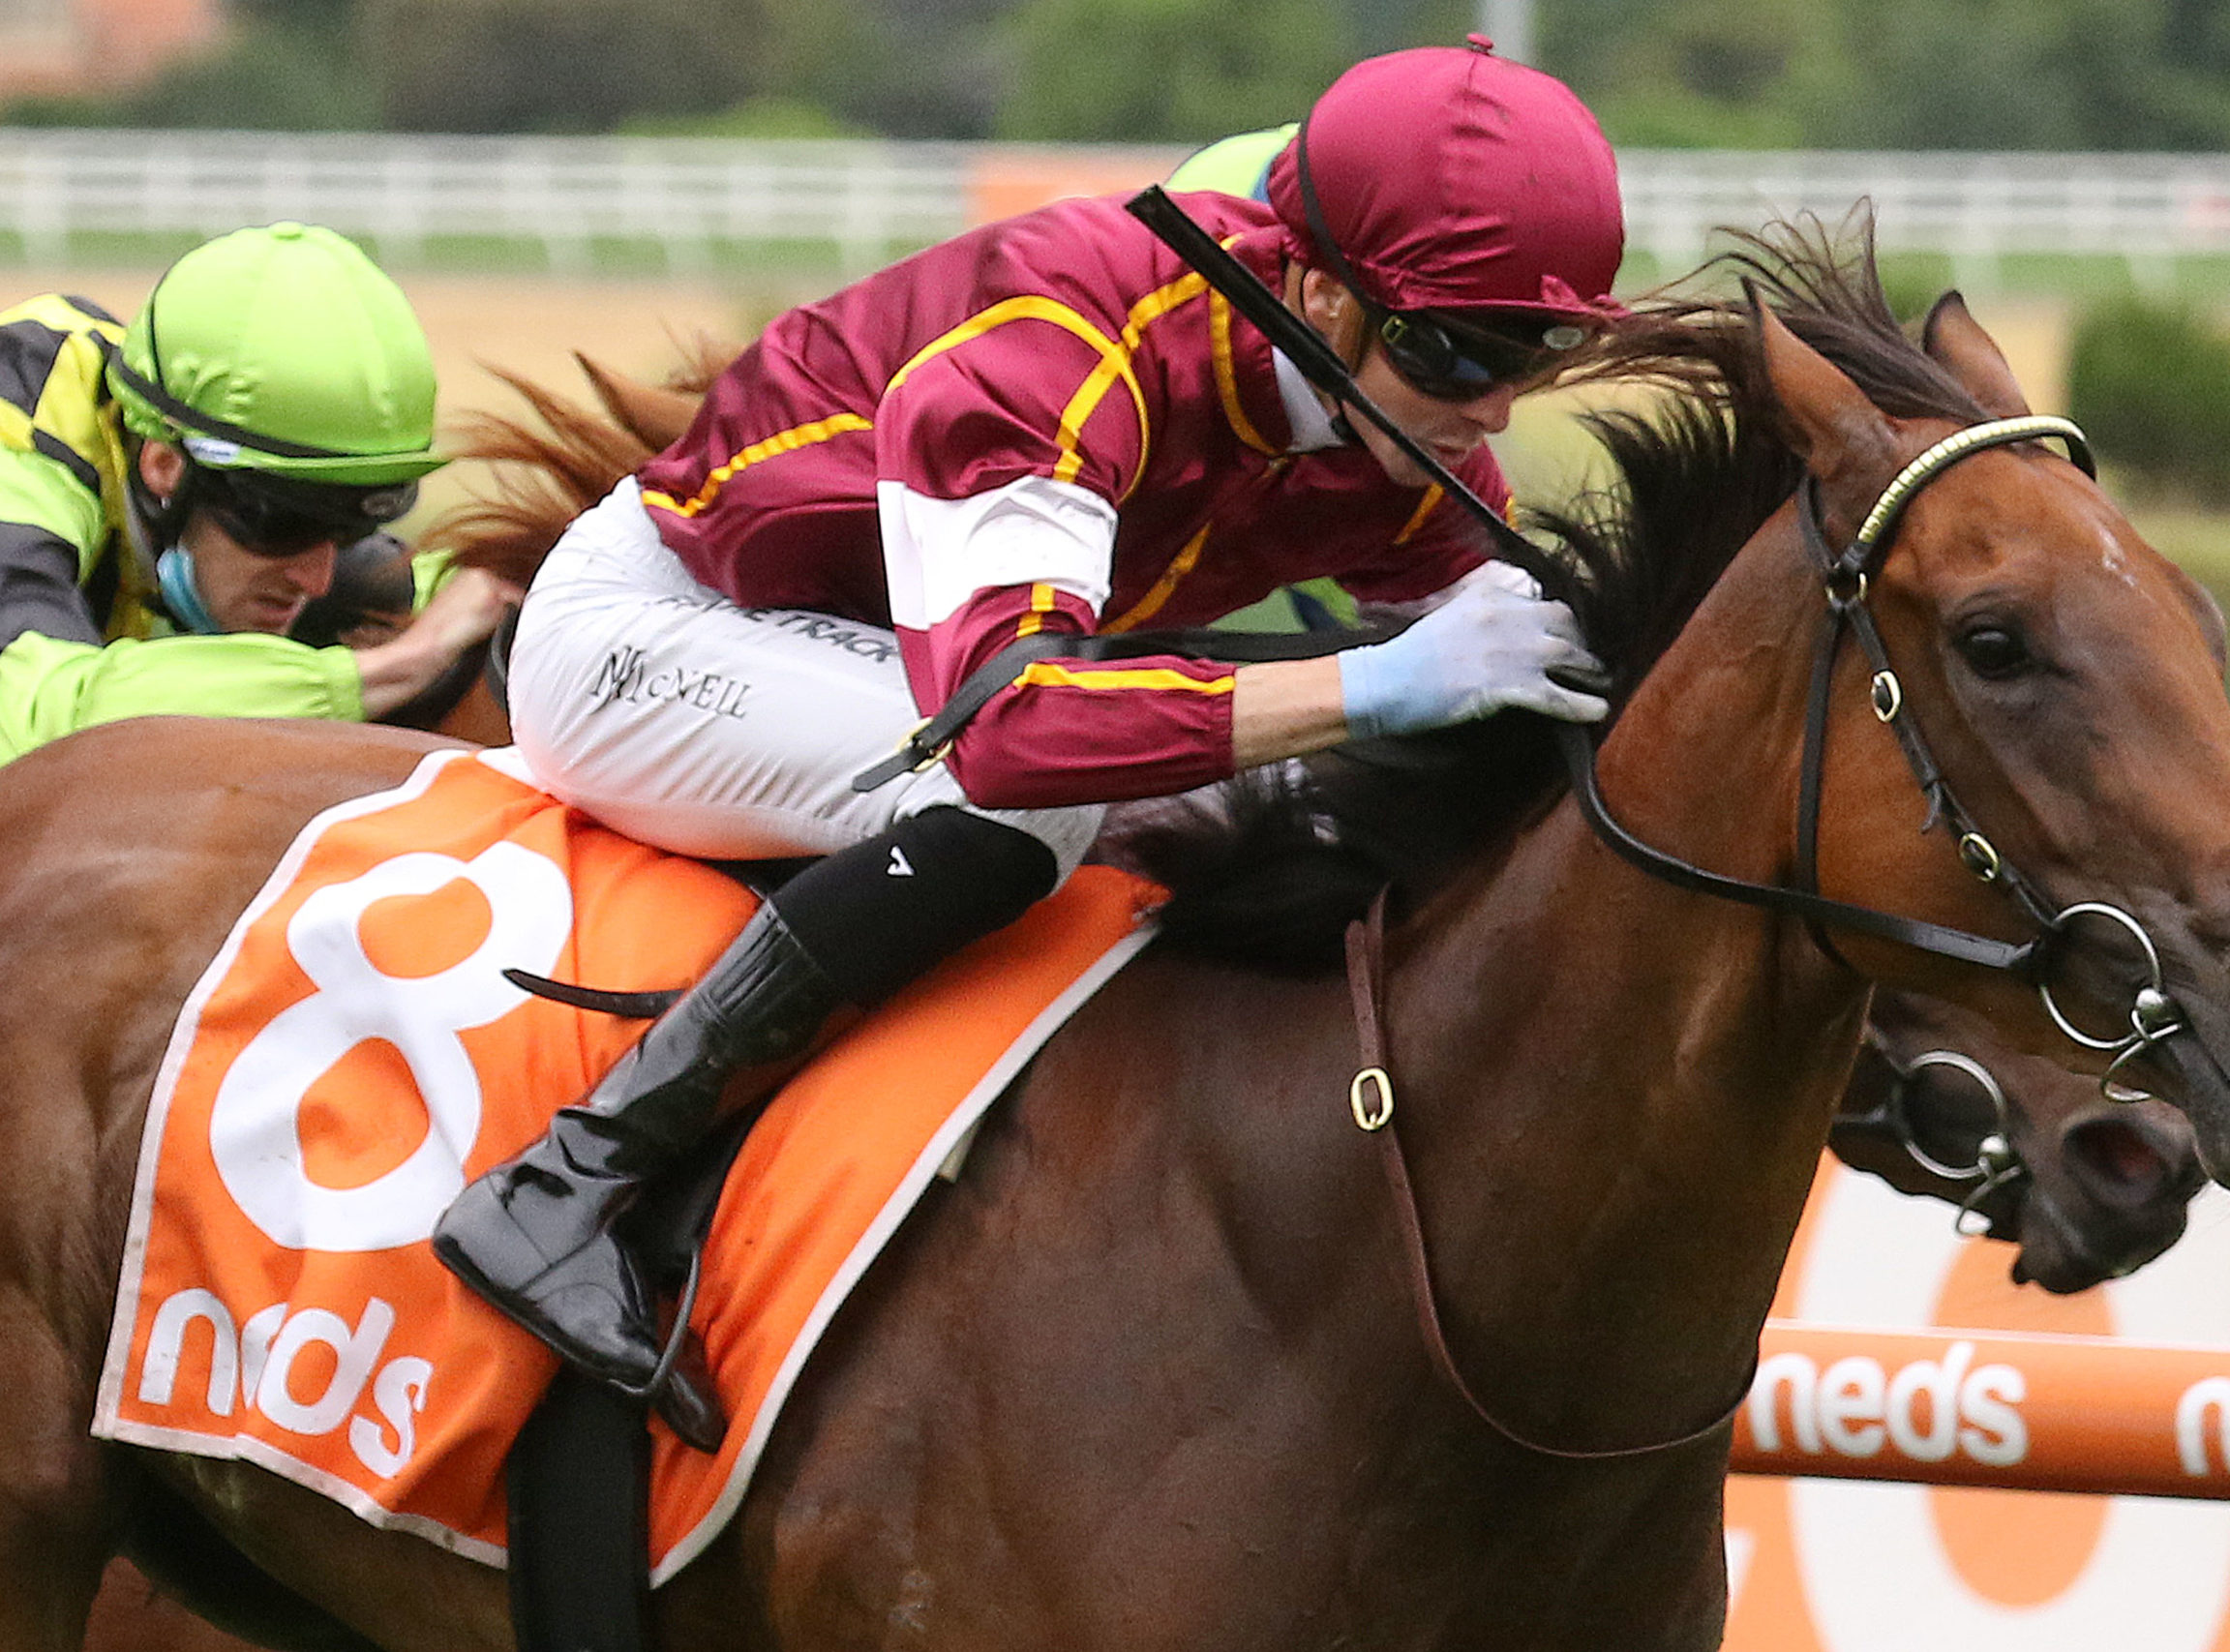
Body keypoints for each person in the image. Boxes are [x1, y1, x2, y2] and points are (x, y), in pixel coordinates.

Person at [433, 38, 1624, 1449]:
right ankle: (567, 1180)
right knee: (1037, 807)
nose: (1491, 406)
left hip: (875, 661)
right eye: (1455, 350)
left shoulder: (1395, 430)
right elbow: (1013, 731)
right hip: (659, 632)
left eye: (1535, 354)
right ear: (1318, 295)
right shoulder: (1062, 341)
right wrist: (1369, 685)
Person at [0, 222, 520, 764]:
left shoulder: (219, 491)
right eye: (287, 524)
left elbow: (451, 592)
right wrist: (397, 665)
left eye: (349, 530)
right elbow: (37, 722)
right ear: (165, 464)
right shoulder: (19, 452)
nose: (317, 580)